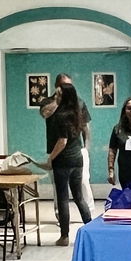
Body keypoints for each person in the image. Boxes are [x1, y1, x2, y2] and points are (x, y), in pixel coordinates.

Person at [41, 82, 92, 246]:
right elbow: (84, 131)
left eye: (58, 94)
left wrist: (51, 158)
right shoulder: (76, 113)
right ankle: (91, 229)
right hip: (77, 159)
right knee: (79, 197)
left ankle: (64, 236)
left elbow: (62, 141)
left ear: (64, 96)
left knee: (63, 198)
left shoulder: (61, 115)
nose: (55, 97)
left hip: (63, 161)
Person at [41, 72, 93, 207]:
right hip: (55, 151)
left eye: (69, 85)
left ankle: (89, 212)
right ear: (57, 86)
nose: (67, 88)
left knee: (83, 182)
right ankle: (60, 214)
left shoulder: (79, 102)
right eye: (64, 85)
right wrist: (59, 101)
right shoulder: (48, 102)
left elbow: (86, 127)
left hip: (76, 150)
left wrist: (86, 149)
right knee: (58, 187)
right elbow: (45, 113)